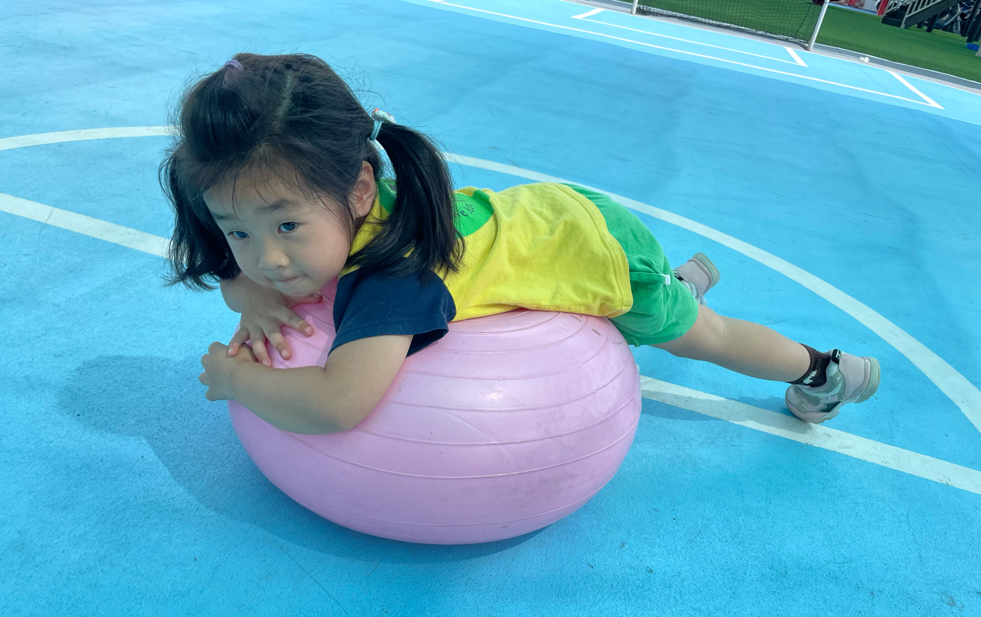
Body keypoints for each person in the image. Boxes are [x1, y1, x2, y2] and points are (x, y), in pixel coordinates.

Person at [161, 53, 880, 435]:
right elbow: (234, 267)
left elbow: (337, 405)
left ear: (357, 190)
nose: (268, 259)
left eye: (286, 227)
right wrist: (244, 291)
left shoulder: (392, 276)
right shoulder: (319, 189)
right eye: (239, 231)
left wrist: (236, 380)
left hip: (594, 247)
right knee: (677, 306)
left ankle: (826, 371)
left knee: (698, 336)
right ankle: (683, 279)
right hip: (539, 218)